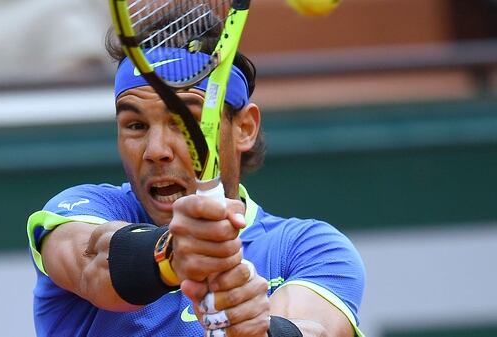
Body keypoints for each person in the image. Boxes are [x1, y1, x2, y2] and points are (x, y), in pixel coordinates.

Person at [26, 17, 366, 337]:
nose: (155, 150)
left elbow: (314, 329)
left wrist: (258, 330)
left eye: (186, 123)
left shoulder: (308, 249)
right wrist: (172, 254)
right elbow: (93, 263)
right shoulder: (83, 210)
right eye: (136, 125)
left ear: (244, 128)